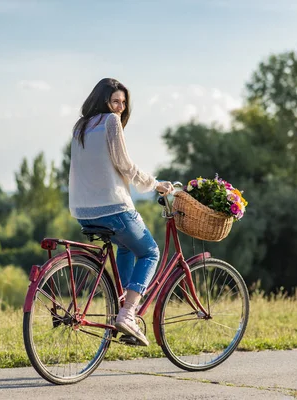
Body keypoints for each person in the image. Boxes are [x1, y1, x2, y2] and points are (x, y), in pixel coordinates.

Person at [68, 77, 174, 346]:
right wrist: (155, 184)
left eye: (123, 103)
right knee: (150, 252)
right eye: (115, 101)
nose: (120, 108)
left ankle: (124, 309)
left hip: (83, 210)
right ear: (103, 100)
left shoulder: (81, 126)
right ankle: (128, 314)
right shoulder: (110, 122)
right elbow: (125, 165)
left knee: (127, 247)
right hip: (113, 208)